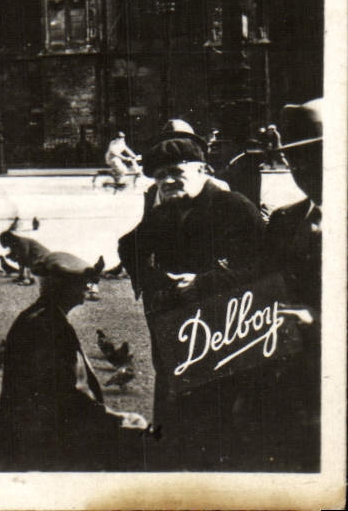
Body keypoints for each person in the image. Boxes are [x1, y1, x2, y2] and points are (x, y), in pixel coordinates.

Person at [116, 126, 266, 469]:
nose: (168, 182)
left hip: (223, 323)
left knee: (217, 407)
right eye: (161, 176)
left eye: (178, 173)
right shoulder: (164, 212)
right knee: (171, 394)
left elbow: (262, 266)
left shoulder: (234, 206)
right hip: (172, 320)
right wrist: (153, 285)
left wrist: (204, 282)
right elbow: (129, 246)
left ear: (201, 171)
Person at [0, 251, 149, 470]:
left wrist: (110, 417)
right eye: (81, 283)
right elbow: (65, 399)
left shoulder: (43, 317)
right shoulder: (48, 327)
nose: (87, 288)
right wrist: (113, 421)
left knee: (138, 432)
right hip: (40, 442)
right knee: (143, 443)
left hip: (38, 430)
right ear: (62, 289)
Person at [252, 100, 323, 471]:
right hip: (287, 385)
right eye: (297, 161)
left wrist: (317, 320)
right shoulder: (284, 221)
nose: (306, 170)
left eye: (318, 157)